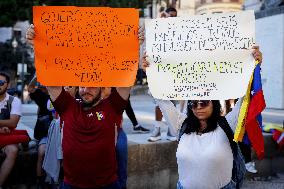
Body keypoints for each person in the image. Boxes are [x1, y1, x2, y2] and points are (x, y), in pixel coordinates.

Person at [26, 24, 143, 189]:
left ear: (102, 88)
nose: (86, 90)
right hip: (71, 185)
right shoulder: (67, 106)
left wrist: (134, 45)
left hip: (107, 185)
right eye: (82, 86)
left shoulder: (113, 107)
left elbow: (126, 80)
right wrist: (36, 45)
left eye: (92, 86)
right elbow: (51, 80)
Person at [142, 47, 263, 188]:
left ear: (214, 104)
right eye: (194, 103)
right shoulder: (181, 125)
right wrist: (150, 72)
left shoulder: (228, 124)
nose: (198, 107)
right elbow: (162, 100)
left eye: (204, 102)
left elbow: (245, 98)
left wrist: (253, 64)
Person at [148, 7, 178, 142]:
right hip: (159, 72)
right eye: (169, 15)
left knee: (172, 102)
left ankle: (172, 130)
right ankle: (158, 129)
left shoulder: (178, 32)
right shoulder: (157, 29)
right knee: (158, 102)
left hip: (174, 73)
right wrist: (160, 20)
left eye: (174, 16)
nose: (171, 18)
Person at [28, 75, 53, 189]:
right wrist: (37, 76)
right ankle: (40, 181)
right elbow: (30, 88)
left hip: (63, 133)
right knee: (41, 153)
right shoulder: (42, 96)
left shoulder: (63, 94)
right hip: (45, 134)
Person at [0, 72, 22, 189]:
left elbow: (13, 122)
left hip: (7, 139)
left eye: (1, 83)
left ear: (7, 85)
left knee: (13, 150)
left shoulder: (14, 101)